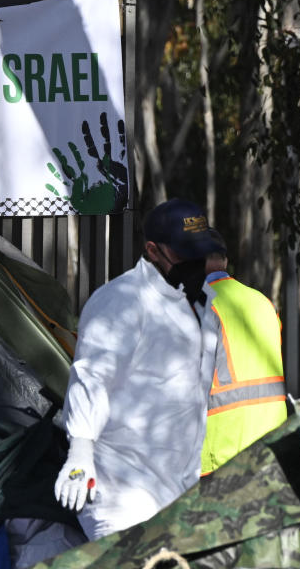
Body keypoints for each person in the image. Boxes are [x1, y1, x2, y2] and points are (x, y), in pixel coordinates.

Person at [53, 198, 222, 540]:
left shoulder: (196, 304)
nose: (195, 262)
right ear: (152, 250)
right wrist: (80, 450)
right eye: (184, 253)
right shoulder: (123, 300)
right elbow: (92, 377)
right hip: (121, 493)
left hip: (174, 489)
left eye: (199, 252)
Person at [200, 231, 287, 475]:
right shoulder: (264, 303)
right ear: (225, 262)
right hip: (273, 439)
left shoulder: (200, 306)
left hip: (224, 445)